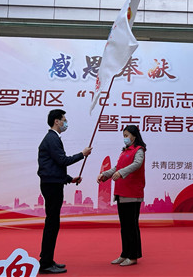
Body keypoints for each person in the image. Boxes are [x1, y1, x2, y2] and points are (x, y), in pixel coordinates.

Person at [38, 109, 92, 274]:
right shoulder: (52, 138)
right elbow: (62, 161)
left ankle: (47, 259)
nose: (65, 123)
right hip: (52, 186)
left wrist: (70, 179)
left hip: (53, 183)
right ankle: (46, 264)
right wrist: (82, 154)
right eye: (64, 120)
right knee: (52, 224)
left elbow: (55, 166)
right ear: (56, 121)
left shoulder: (53, 138)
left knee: (53, 223)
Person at [97, 125, 147, 267]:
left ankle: (133, 256)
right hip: (121, 192)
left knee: (131, 226)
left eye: (127, 135)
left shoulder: (139, 150)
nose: (125, 138)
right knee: (124, 226)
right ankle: (124, 254)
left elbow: (137, 164)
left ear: (134, 136)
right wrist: (105, 175)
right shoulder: (124, 151)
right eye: (123, 136)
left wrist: (121, 173)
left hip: (132, 193)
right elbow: (116, 168)